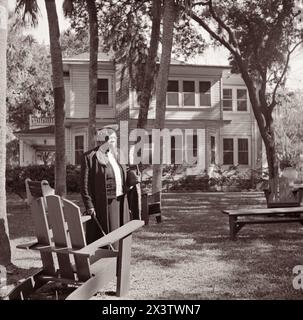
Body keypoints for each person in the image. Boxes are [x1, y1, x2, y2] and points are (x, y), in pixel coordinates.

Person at [80, 125, 140, 245]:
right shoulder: (90, 157)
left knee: (122, 233)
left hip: (121, 201)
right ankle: (107, 260)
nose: (114, 142)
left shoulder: (119, 154)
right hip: (104, 204)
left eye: (115, 139)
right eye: (111, 139)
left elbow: (125, 172)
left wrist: (132, 179)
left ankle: (120, 258)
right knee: (108, 237)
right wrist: (89, 205)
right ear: (103, 140)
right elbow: (84, 184)